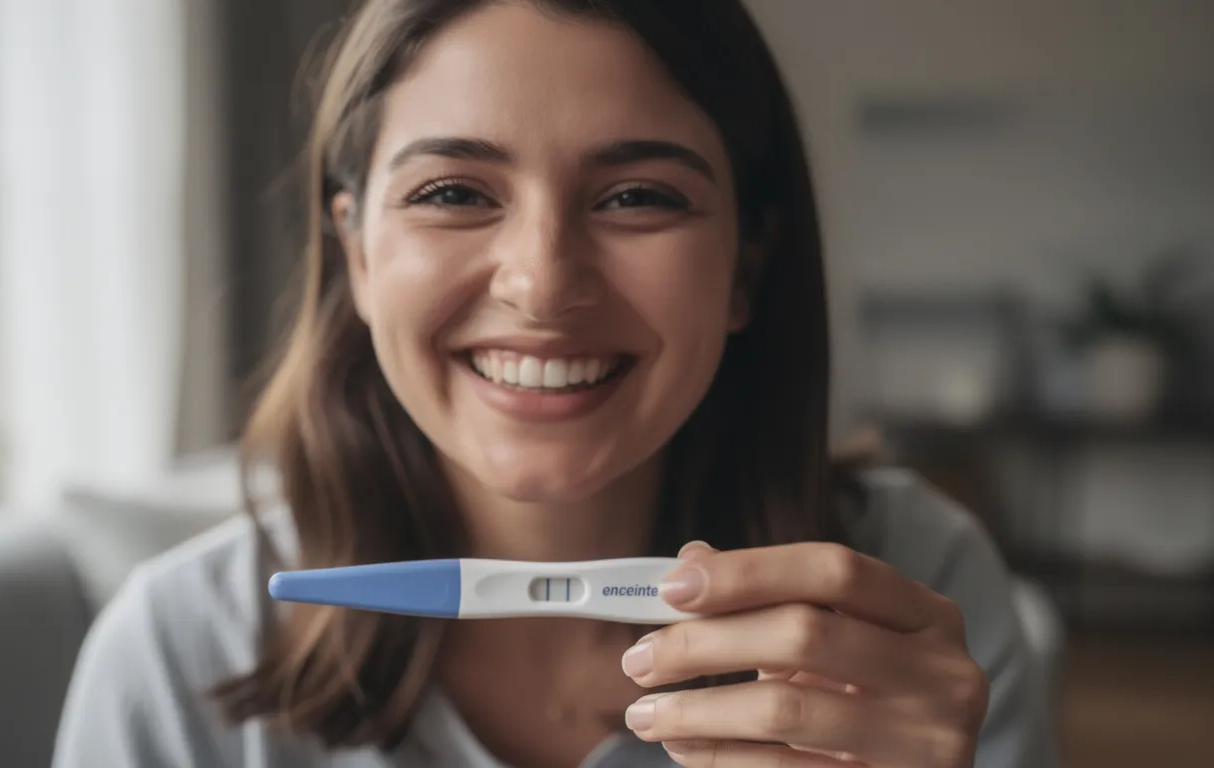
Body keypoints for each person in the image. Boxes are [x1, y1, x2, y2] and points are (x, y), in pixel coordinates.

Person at [52, 0, 1057, 766]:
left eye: (637, 196)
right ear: (355, 252)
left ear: (746, 267)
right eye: (453, 192)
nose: (541, 284)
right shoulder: (173, 656)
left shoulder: (913, 591)